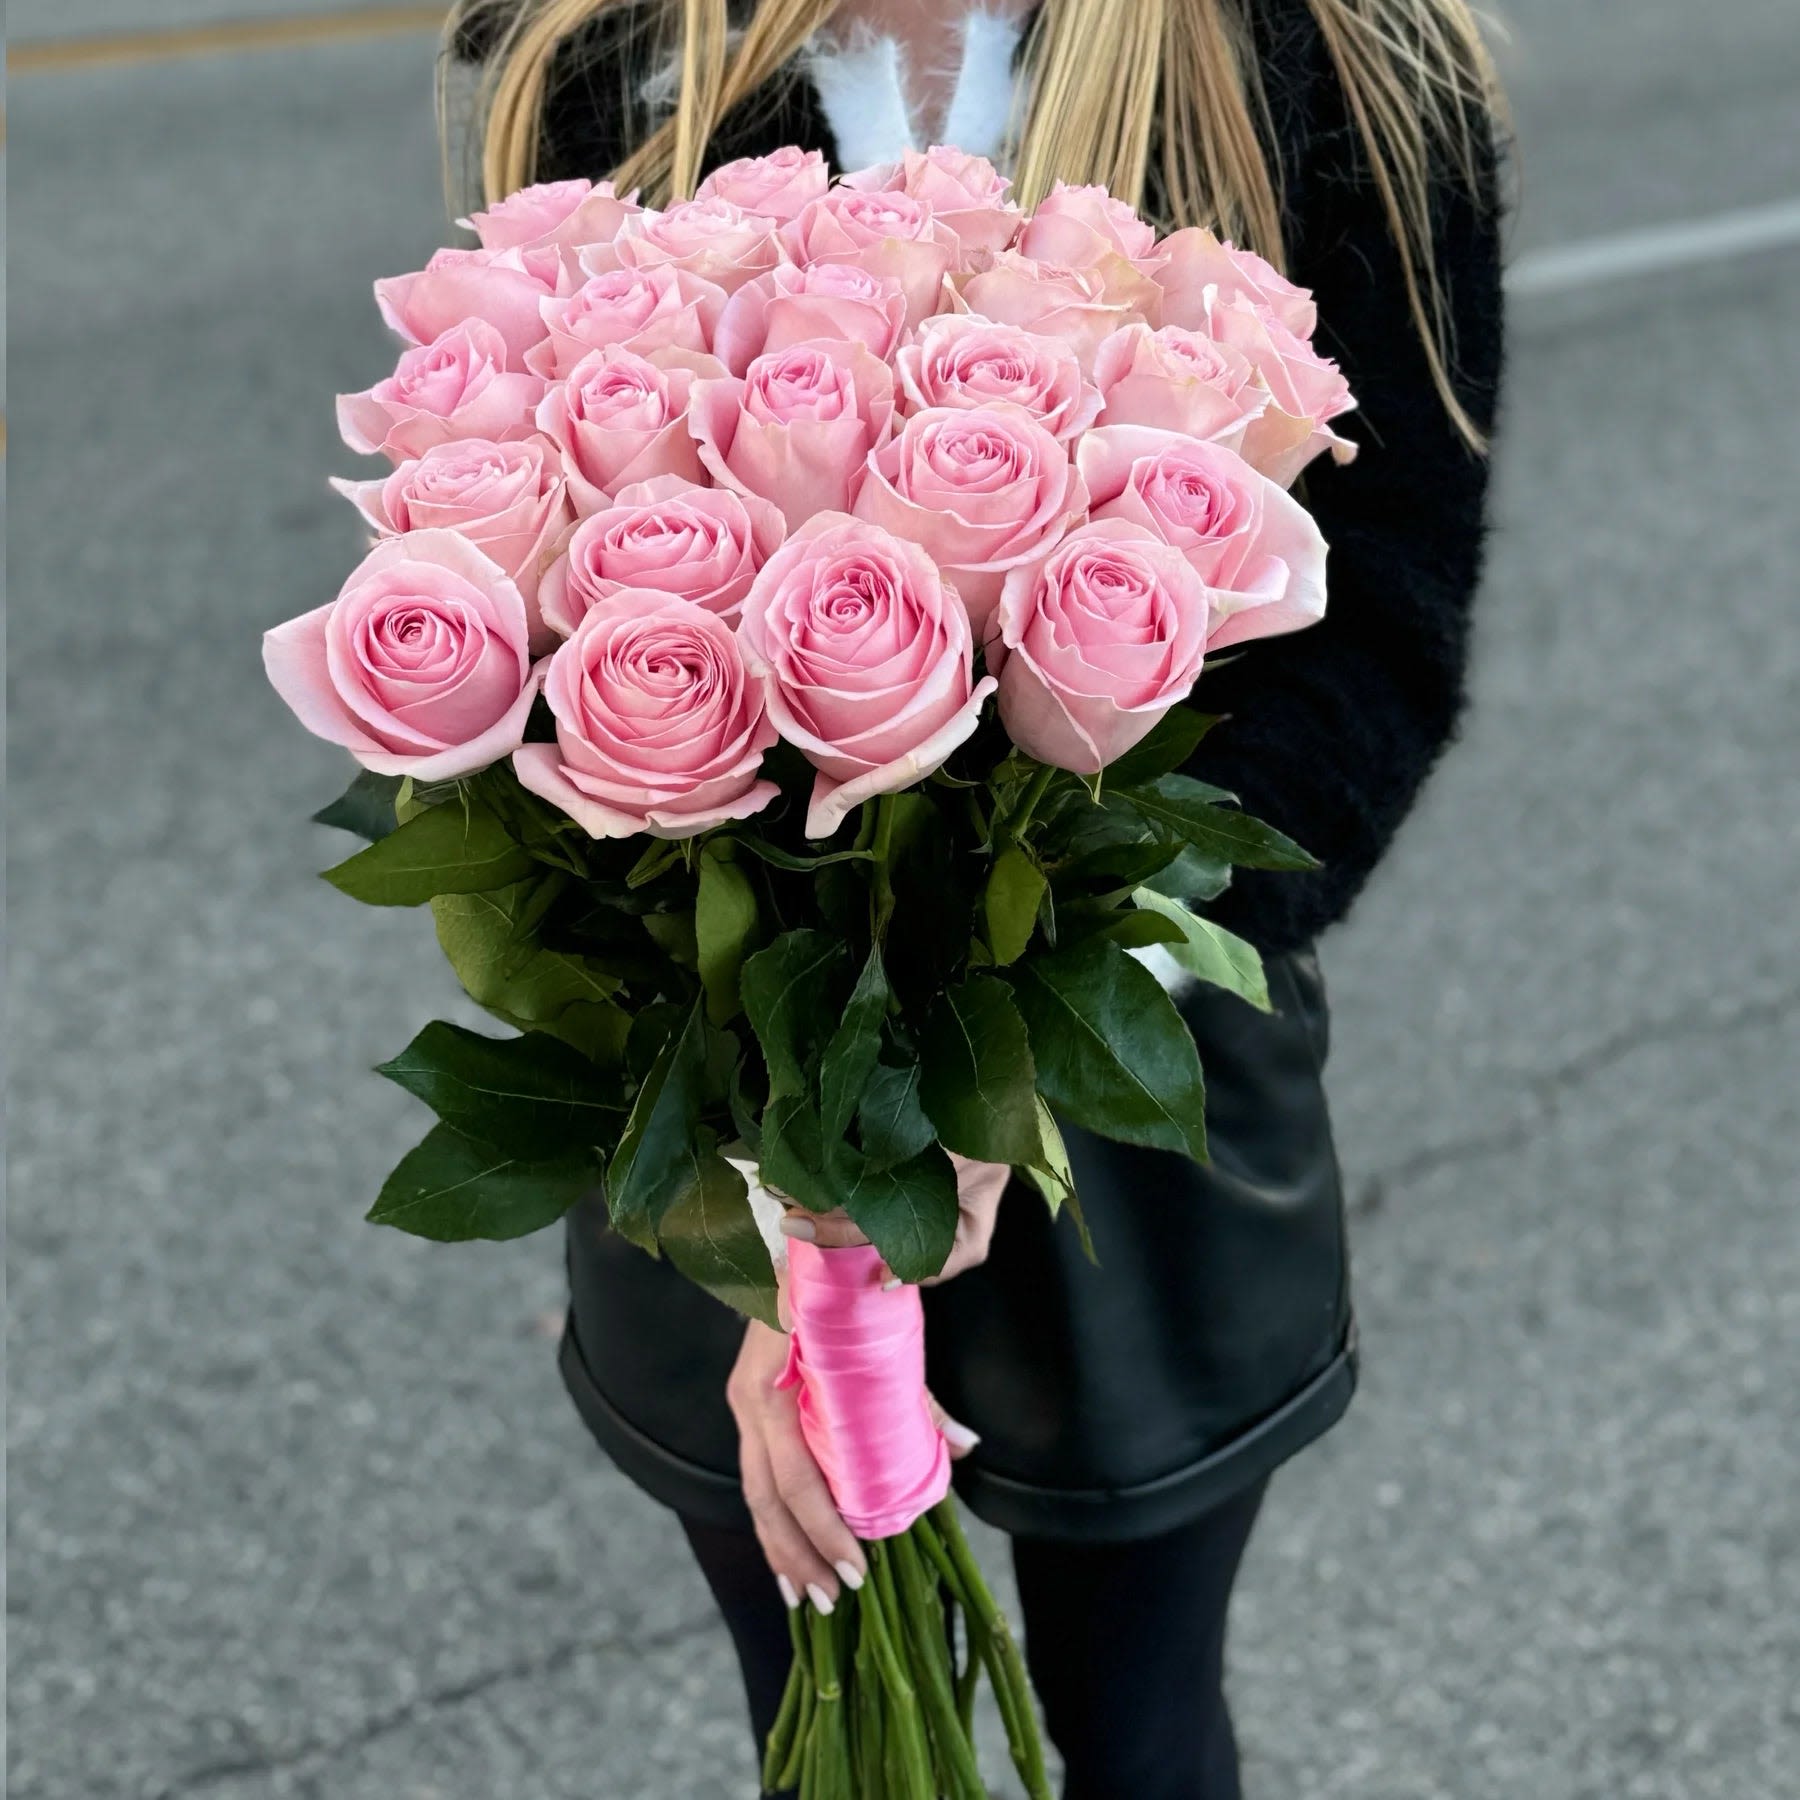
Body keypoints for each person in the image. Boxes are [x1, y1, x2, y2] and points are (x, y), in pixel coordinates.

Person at [444, 3, 1507, 1794]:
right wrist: (789, 1210)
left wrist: (1005, 1058)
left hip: (1132, 1050)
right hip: (723, 1073)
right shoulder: (619, 49)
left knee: (1141, 1733)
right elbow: (553, 613)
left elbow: (1379, 630)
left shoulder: (1339, 57)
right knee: (834, 1734)